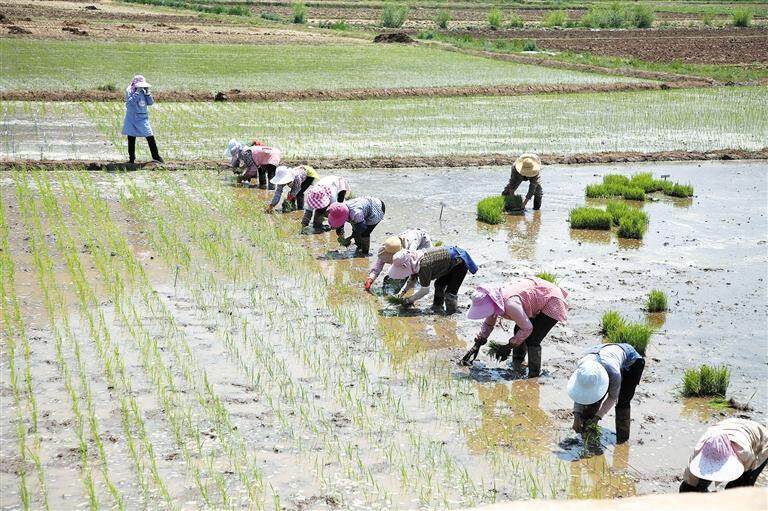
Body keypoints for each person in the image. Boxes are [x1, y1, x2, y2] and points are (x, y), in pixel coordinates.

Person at [459, 278, 568, 376]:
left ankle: (534, 375)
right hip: (535, 297)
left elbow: (527, 328)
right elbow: (489, 323)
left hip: (552, 300)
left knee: (533, 339)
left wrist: (509, 345)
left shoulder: (510, 304)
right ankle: (517, 363)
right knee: (518, 330)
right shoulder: (494, 300)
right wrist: (478, 342)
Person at [568, 343, 645, 444]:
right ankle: (586, 434)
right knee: (593, 399)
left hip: (632, 361)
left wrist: (597, 417)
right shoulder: (582, 368)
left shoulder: (614, 373)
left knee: (623, 401)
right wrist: (576, 415)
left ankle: (622, 440)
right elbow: (580, 391)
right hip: (600, 352)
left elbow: (612, 397)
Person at [679, 418, 767, 493]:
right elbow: (689, 483)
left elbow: (749, 471)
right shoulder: (698, 452)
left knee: (740, 488)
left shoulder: (744, 454)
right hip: (726, 425)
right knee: (693, 486)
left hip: (761, 439)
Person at [388, 246, 478, 314]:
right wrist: (402, 293)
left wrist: (409, 300)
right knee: (439, 284)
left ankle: (452, 314)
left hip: (459, 263)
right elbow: (412, 281)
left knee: (450, 293)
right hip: (447, 263)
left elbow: (425, 290)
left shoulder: (422, 266)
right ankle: (437, 307)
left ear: (405, 266)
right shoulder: (414, 260)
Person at [364, 228, 432, 293]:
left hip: (422, 240)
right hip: (410, 234)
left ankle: (411, 288)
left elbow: (411, 267)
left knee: (416, 269)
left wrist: (405, 290)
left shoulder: (409, 250)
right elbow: (378, 265)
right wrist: (370, 279)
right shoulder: (391, 245)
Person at [122, 75, 163, 164]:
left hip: (143, 117)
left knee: (149, 135)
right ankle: (131, 159)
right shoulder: (130, 91)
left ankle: (156, 156)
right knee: (131, 136)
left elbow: (150, 103)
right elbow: (130, 103)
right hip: (132, 117)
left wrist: (147, 94)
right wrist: (137, 92)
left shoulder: (144, 90)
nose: (142, 87)